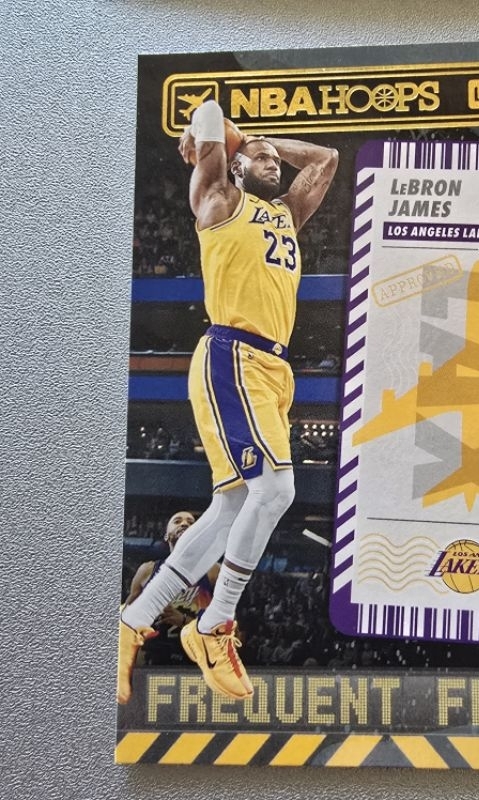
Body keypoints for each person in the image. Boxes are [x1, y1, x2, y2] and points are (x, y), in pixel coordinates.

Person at [117, 99, 338, 704]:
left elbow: (325, 159)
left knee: (233, 503)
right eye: (260, 159)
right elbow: (210, 108)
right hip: (233, 353)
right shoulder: (219, 200)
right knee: (278, 490)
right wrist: (232, 142)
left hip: (271, 368)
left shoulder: (285, 215)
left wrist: (266, 142)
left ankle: (134, 622)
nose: (273, 164)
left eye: (275, 160)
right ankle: (215, 624)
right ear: (234, 166)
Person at [124, 511, 218, 666]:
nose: (184, 524)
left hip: (197, 660)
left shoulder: (213, 572)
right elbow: (125, 626)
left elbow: (232, 632)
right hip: (154, 660)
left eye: (191, 523)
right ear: (166, 536)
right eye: (177, 521)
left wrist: (184, 621)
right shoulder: (147, 571)